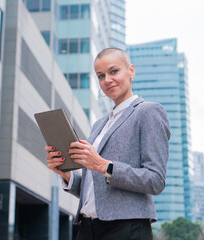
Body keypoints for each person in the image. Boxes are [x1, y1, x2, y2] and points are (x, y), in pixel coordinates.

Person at [44, 48, 171, 240]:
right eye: (101, 76)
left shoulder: (148, 112)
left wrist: (104, 166)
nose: (107, 80)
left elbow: (155, 180)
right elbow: (96, 190)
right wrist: (67, 175)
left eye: (114, 71)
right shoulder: (98, 125)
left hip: (126, 227)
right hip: (87, 228)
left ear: (131, 71)